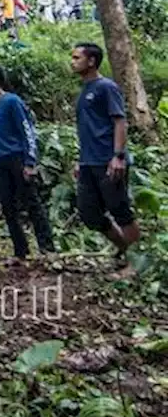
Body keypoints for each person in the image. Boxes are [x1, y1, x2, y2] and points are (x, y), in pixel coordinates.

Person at [71, 43, 141, 260]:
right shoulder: (85, 91)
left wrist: (118, 156)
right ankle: (125, 249)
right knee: (89, 213)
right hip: (88, 162)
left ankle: (136, 263)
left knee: (120, 211)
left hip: (108, 160)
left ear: (91, 61)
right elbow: (88, 129)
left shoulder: (106, 87)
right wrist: (80, 160)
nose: (72, 62)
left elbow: (120, 121)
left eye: (77, 58)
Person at [0, 65, 55, 260]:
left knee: (31, 203)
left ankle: (47, 249)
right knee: (7, 206)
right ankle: (21, 251)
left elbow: (27, 130)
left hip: (17, 158)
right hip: (0, 160)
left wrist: (30, 162)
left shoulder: (12, 101)